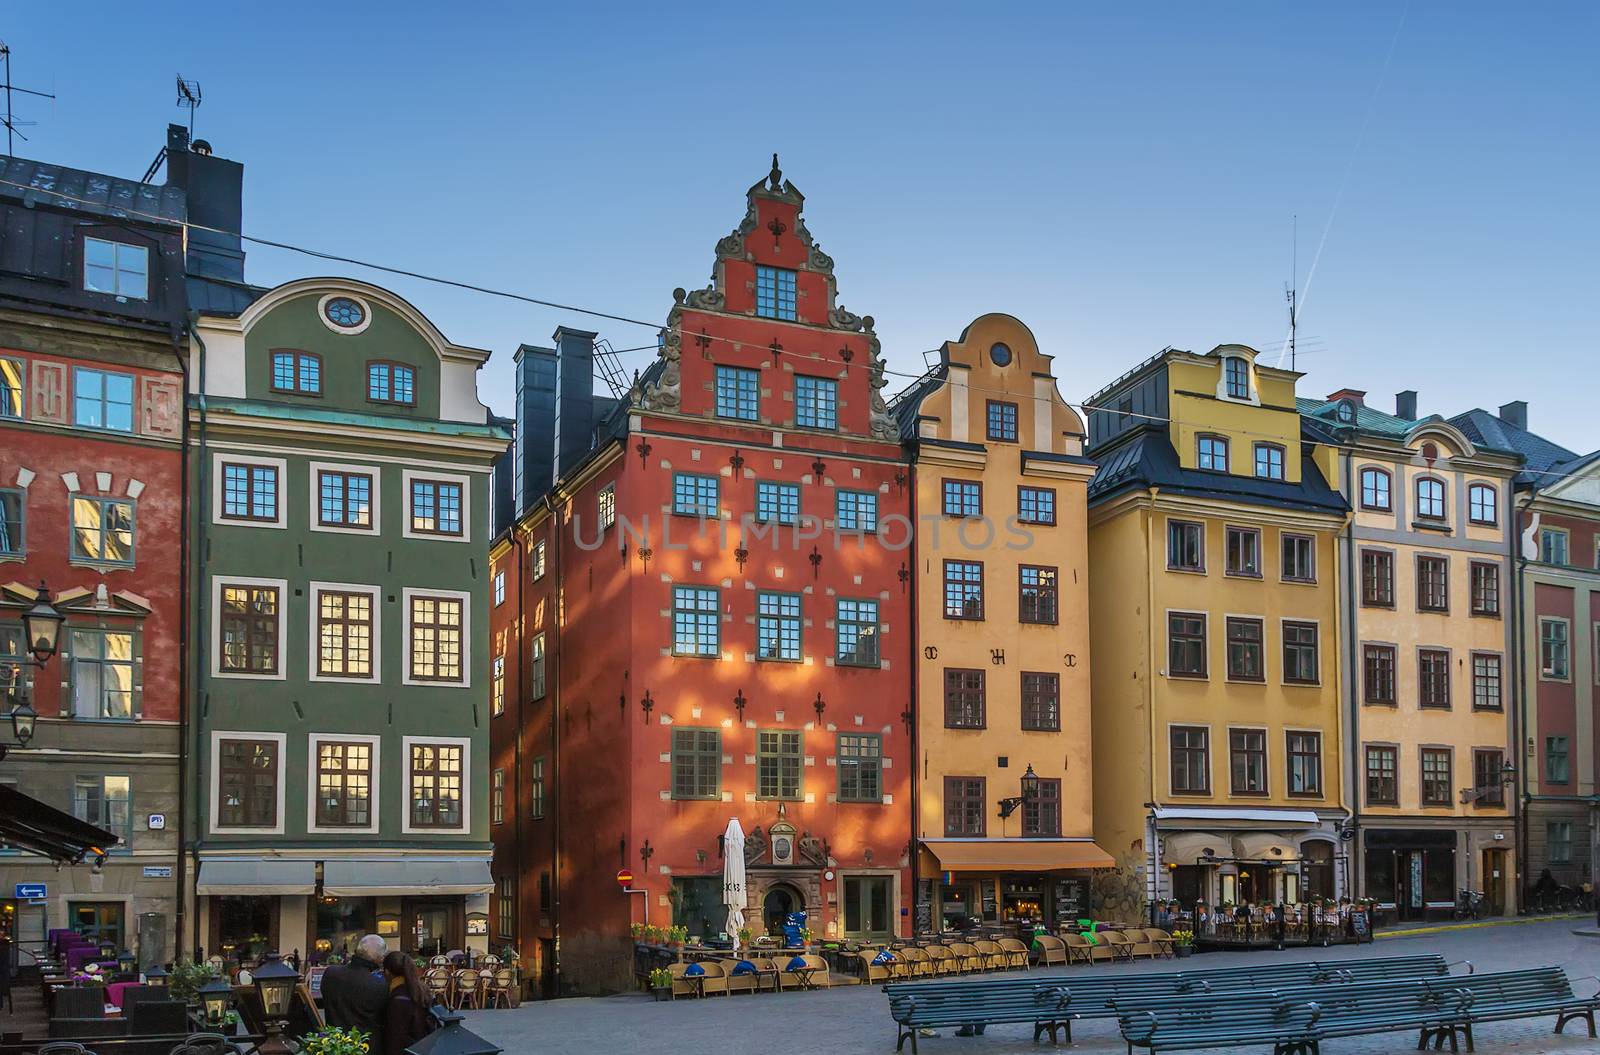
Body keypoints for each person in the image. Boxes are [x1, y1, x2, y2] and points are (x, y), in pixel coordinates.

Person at [321, 934, 388, 1052]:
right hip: (365, 1047)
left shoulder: (330, 974)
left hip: (333, 1045)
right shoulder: (378, 984)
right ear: (379, 959)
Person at [382, 951, 436, 1055]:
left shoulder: (398, 998)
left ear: (387, 972)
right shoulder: (421, 989)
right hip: (423, 1047)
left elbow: (395, 1038)